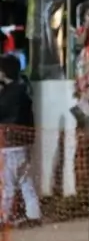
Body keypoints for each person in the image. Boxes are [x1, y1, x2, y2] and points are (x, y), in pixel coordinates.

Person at [0, 54, 39, 226]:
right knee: (25, 182)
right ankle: (34, 215)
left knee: (8, 184)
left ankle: (4, 217)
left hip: (10, 144)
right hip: (22, 143)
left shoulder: (9, 93)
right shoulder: (23, 89)